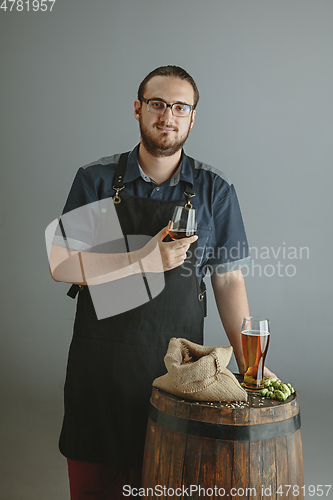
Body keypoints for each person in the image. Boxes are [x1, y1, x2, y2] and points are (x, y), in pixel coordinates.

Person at [49, 65, 277, 500]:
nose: (167, 115)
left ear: (193, 117)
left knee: (168, 478)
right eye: (157, 104)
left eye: (179, 106)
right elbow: (61, 265)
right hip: (100, 370)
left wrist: (251, 366)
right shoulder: (97, 181)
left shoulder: (214, 190)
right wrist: (142, 259)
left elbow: (228, 281)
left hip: (179, 374)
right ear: (138, 109)